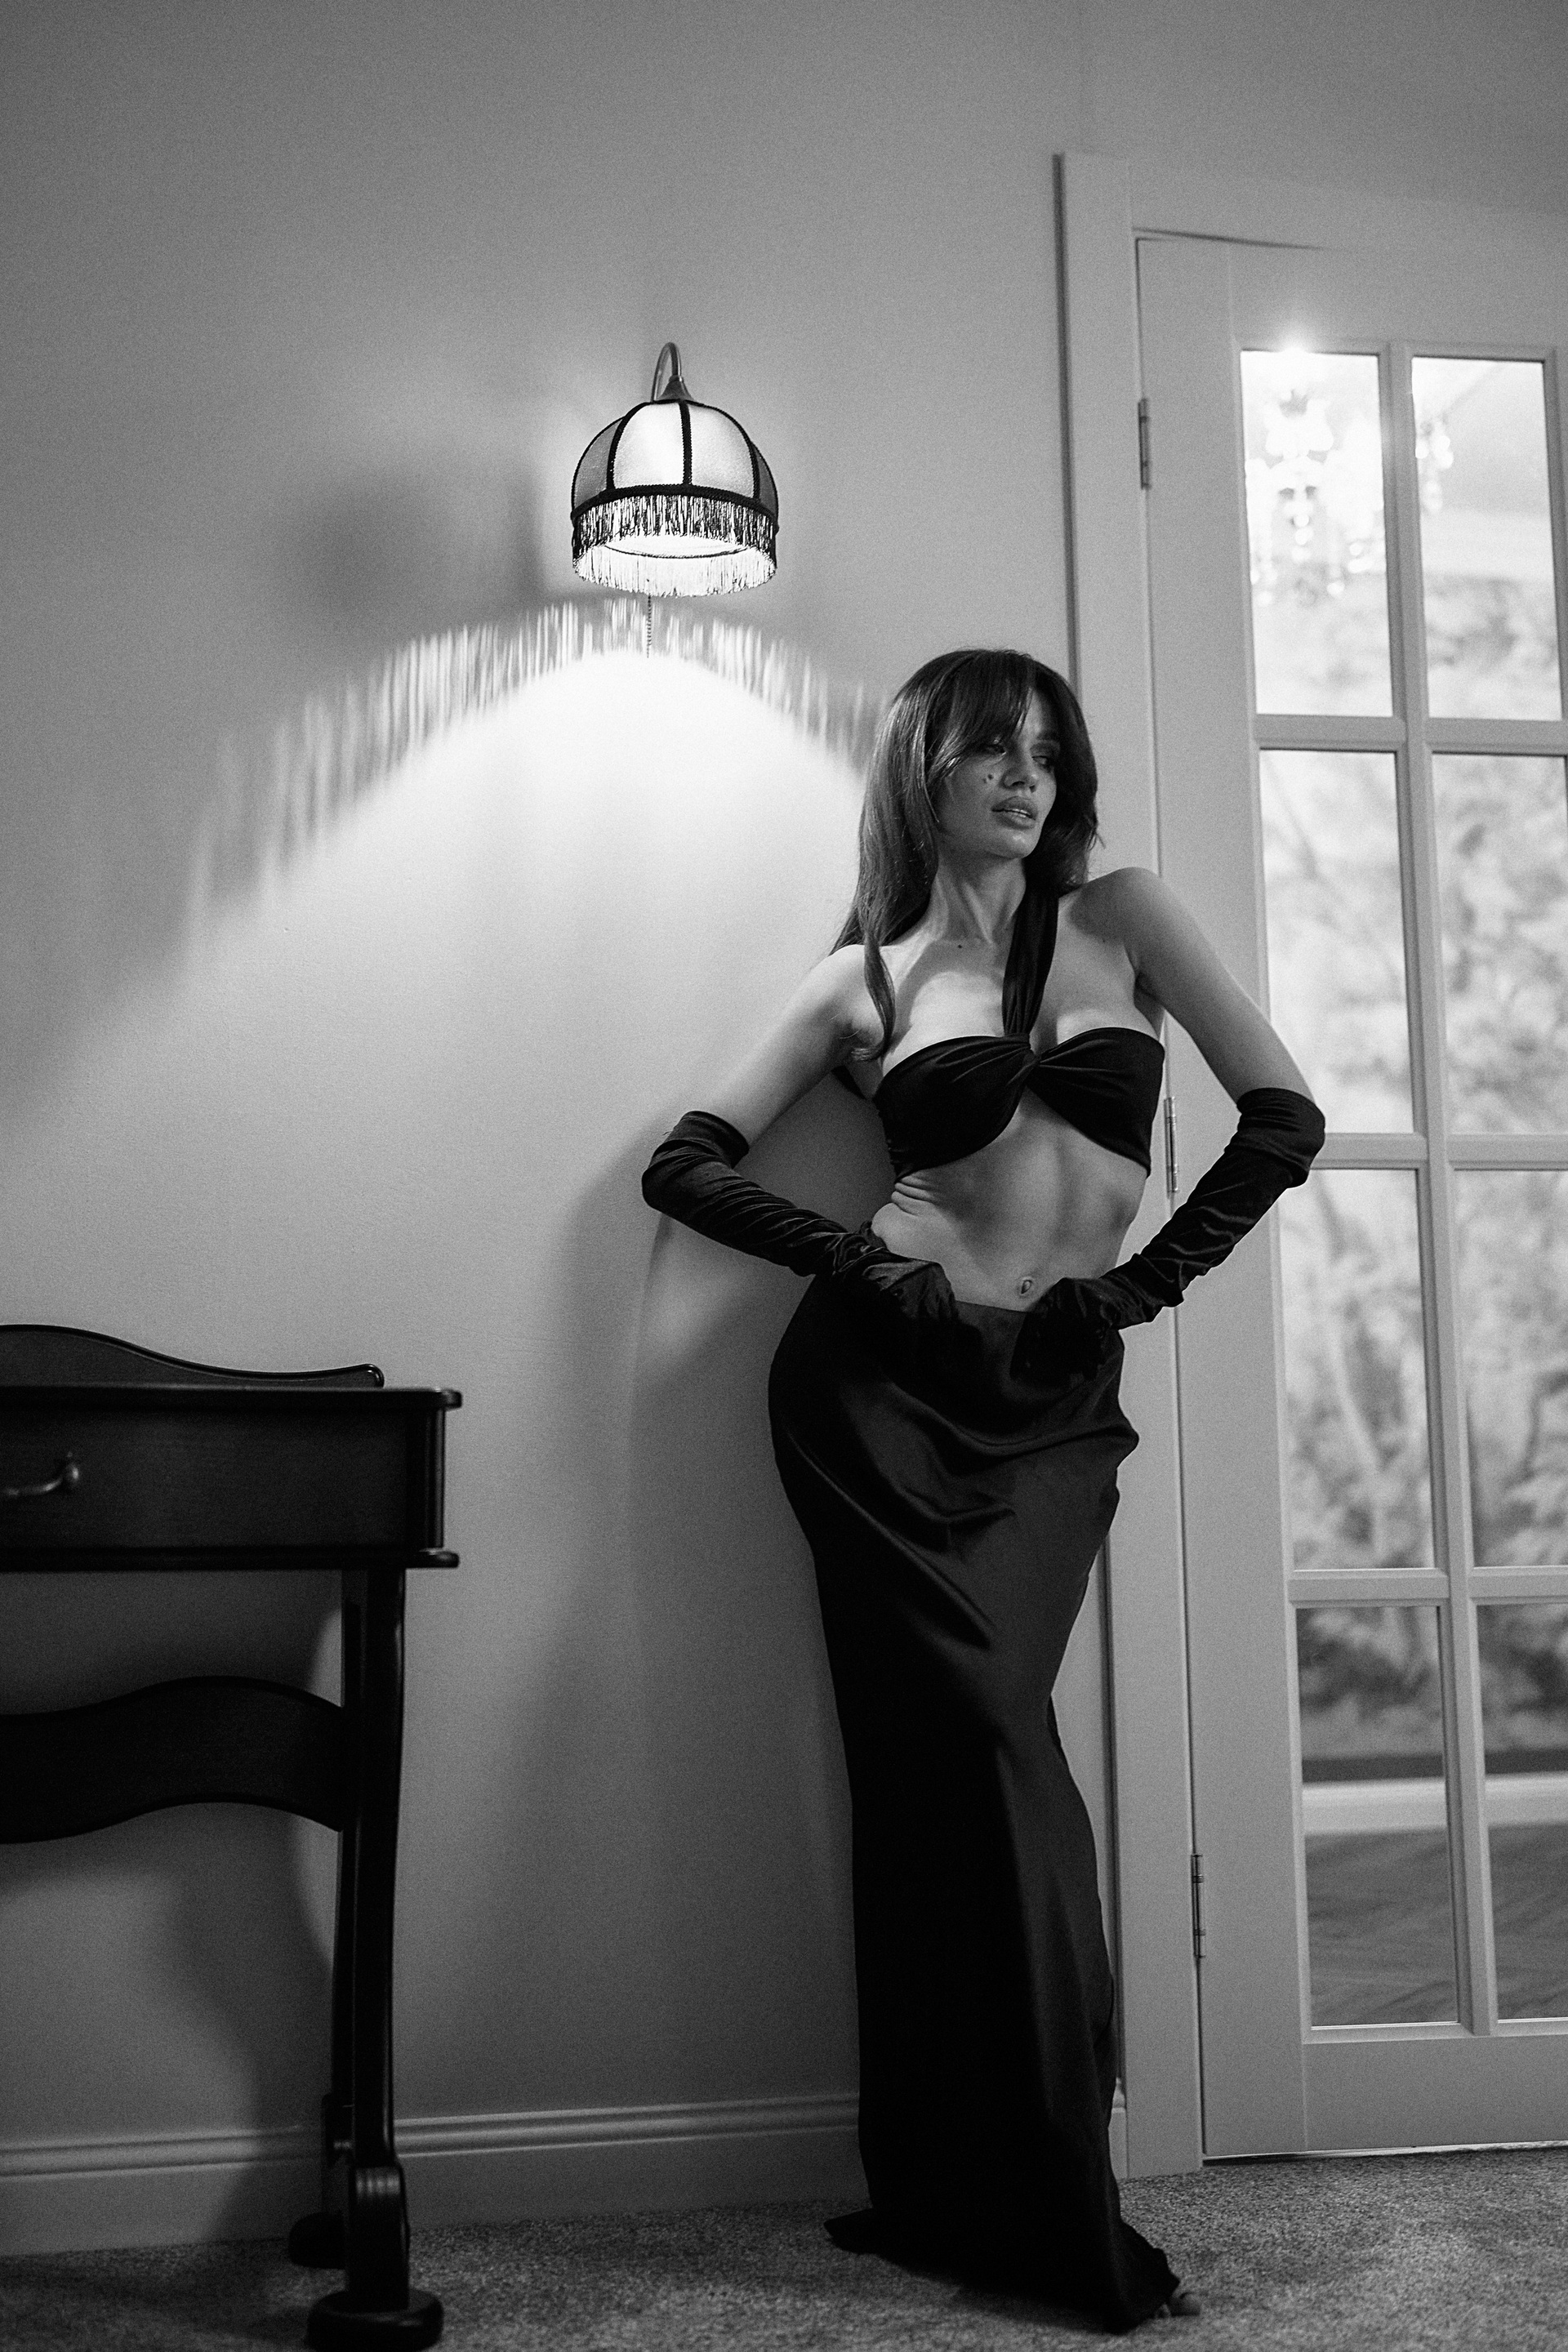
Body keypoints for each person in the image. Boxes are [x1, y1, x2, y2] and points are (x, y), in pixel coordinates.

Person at [641, 648, 1323, 2332]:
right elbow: (684, 1164)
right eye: (991, 750)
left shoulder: (1124, 919)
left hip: (1049, 1404)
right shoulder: (865, 980)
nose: (1027, 776)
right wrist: (864, 1272)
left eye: (1046, 752)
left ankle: (1003, 2176)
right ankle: (986, 2187)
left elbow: (1284, 1118)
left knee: (984, 1745)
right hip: (876, 1399)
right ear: (924, 771)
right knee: (945, 1763)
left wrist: (1140, 1287)